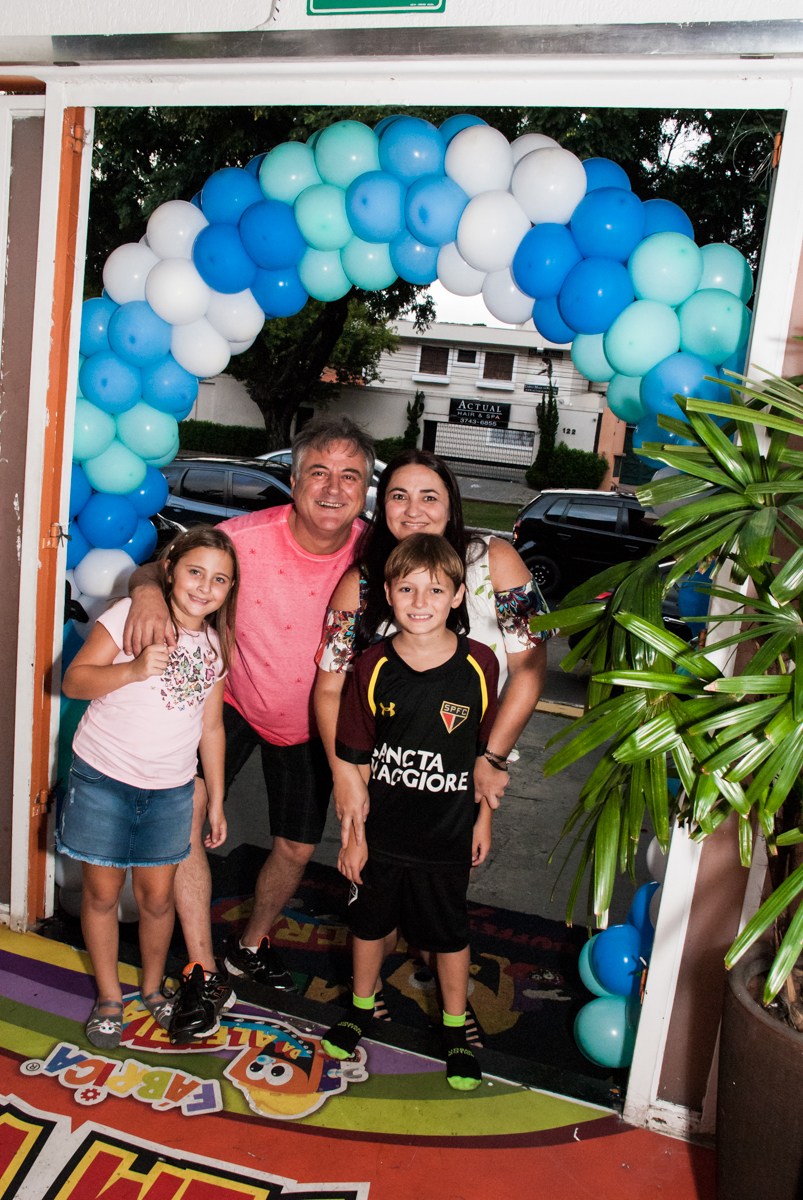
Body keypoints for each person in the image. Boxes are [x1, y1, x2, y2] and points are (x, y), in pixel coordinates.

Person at [122, 416, 374, 1037]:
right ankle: (203, 972)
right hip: (226, 702)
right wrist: (149, 594)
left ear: (367, 489)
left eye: (351, 477)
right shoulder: (243, 538)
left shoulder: (377, 551)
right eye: (319, 472)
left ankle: (252, 945)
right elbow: (160, 566)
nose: (334, 489)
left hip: (314, 721)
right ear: (293, 480)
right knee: (185, 823)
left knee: (294, 846)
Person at [320, 533, 498, 1091]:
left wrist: (484, 819)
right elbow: (356, 761)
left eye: (435, 590)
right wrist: (353, 836)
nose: (420, 601)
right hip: (382, 834)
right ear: (389, 597)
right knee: (370, 924)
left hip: (446, 836)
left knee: (448, 933)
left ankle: (452, 1026)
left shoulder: (481, 666)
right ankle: (361, 1005)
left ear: (458, 596)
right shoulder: (371, 664)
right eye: (407, 589)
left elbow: (484, 757)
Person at [315, 448, 549, 854]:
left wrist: (491, 760)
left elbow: (529, 671)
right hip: (380, 779)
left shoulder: (494, 560)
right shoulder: (363, 582)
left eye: (429, 496)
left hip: (463, 773)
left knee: (438, 898)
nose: (413, 510)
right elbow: (329, 688)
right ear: (382, 503)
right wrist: (343, 774)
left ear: (450, 505)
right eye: (398, 495)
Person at [58, 527, 239, 1050]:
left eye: (220, 580)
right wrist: (134, 670)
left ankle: (154, 989)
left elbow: (211, 727)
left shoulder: (215, 645)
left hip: (170, 791)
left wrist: (219, 799)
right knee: (102, 893)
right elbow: (75, 681)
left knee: (158, 901)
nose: (205, 587)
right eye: (195, 572)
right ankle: (110, 997)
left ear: (230, 591)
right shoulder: (128, 618)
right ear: (169, 572)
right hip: (104, 780)